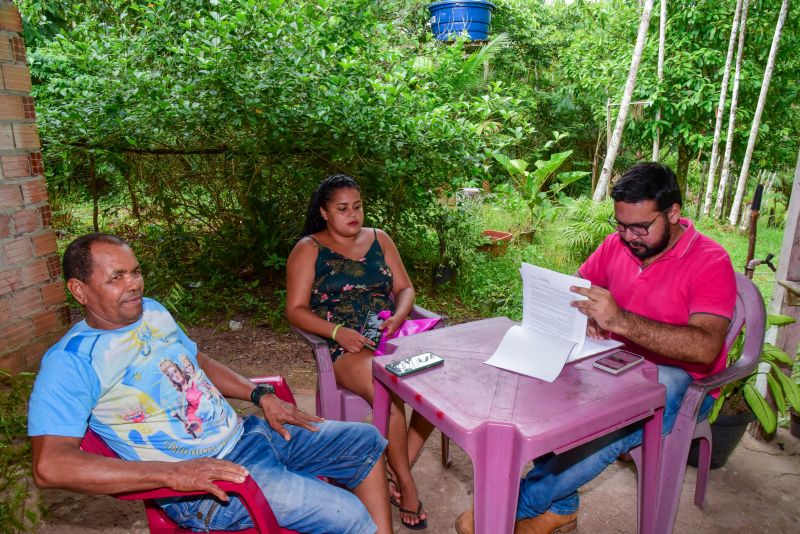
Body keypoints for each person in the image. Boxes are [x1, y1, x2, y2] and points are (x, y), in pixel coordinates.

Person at [28, 233, 393, 534]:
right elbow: (51, 465)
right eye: (116, 277)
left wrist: (260, 394)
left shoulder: (152, 311)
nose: (134, 285)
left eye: (135, 272)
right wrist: (175, 473)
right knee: (349, 515)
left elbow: (198, 362)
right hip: (210, 483)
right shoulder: (70, 362)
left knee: (367, 442)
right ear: (80, 290)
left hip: (249, 435)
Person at [456, 162, 736, 534]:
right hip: (613, 360)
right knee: (546, 383)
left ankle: (518, 503)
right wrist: (581, 314)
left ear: (673, 213)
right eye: (620, 225)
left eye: (640, 227)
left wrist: (619, 320)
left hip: (683, 380)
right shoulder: (616, 245)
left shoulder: (711, 261)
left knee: (611, 426)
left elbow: (705, 348)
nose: (629, 236)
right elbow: (577, 288)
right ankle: (562, 508)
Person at [286, 174, 432, 529]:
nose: (353, 215)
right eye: (342, 209)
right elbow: (295, 310)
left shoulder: (380, 238)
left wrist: (398, 316)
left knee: (439, 390)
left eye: (357, 206)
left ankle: (398, 467)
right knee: (388, 395)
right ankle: (407, 488)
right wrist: (338, 332)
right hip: (346, 348)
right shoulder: (309, 249)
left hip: (392, 338)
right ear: (324, 212)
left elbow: (405, 288)